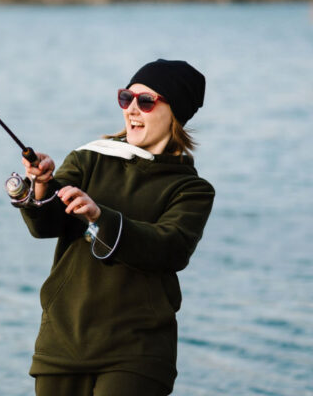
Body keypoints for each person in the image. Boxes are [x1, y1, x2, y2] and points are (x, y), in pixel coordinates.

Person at [18, 59, 215, 396]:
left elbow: (169, 248)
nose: (132, 109)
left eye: (146, 101)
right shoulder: (88, 158)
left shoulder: (191, 190)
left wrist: (99, 217)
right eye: (127, 98)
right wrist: (41, 186)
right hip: (63, 341)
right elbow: (45, 225)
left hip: (138, 352)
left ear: (175, 113)